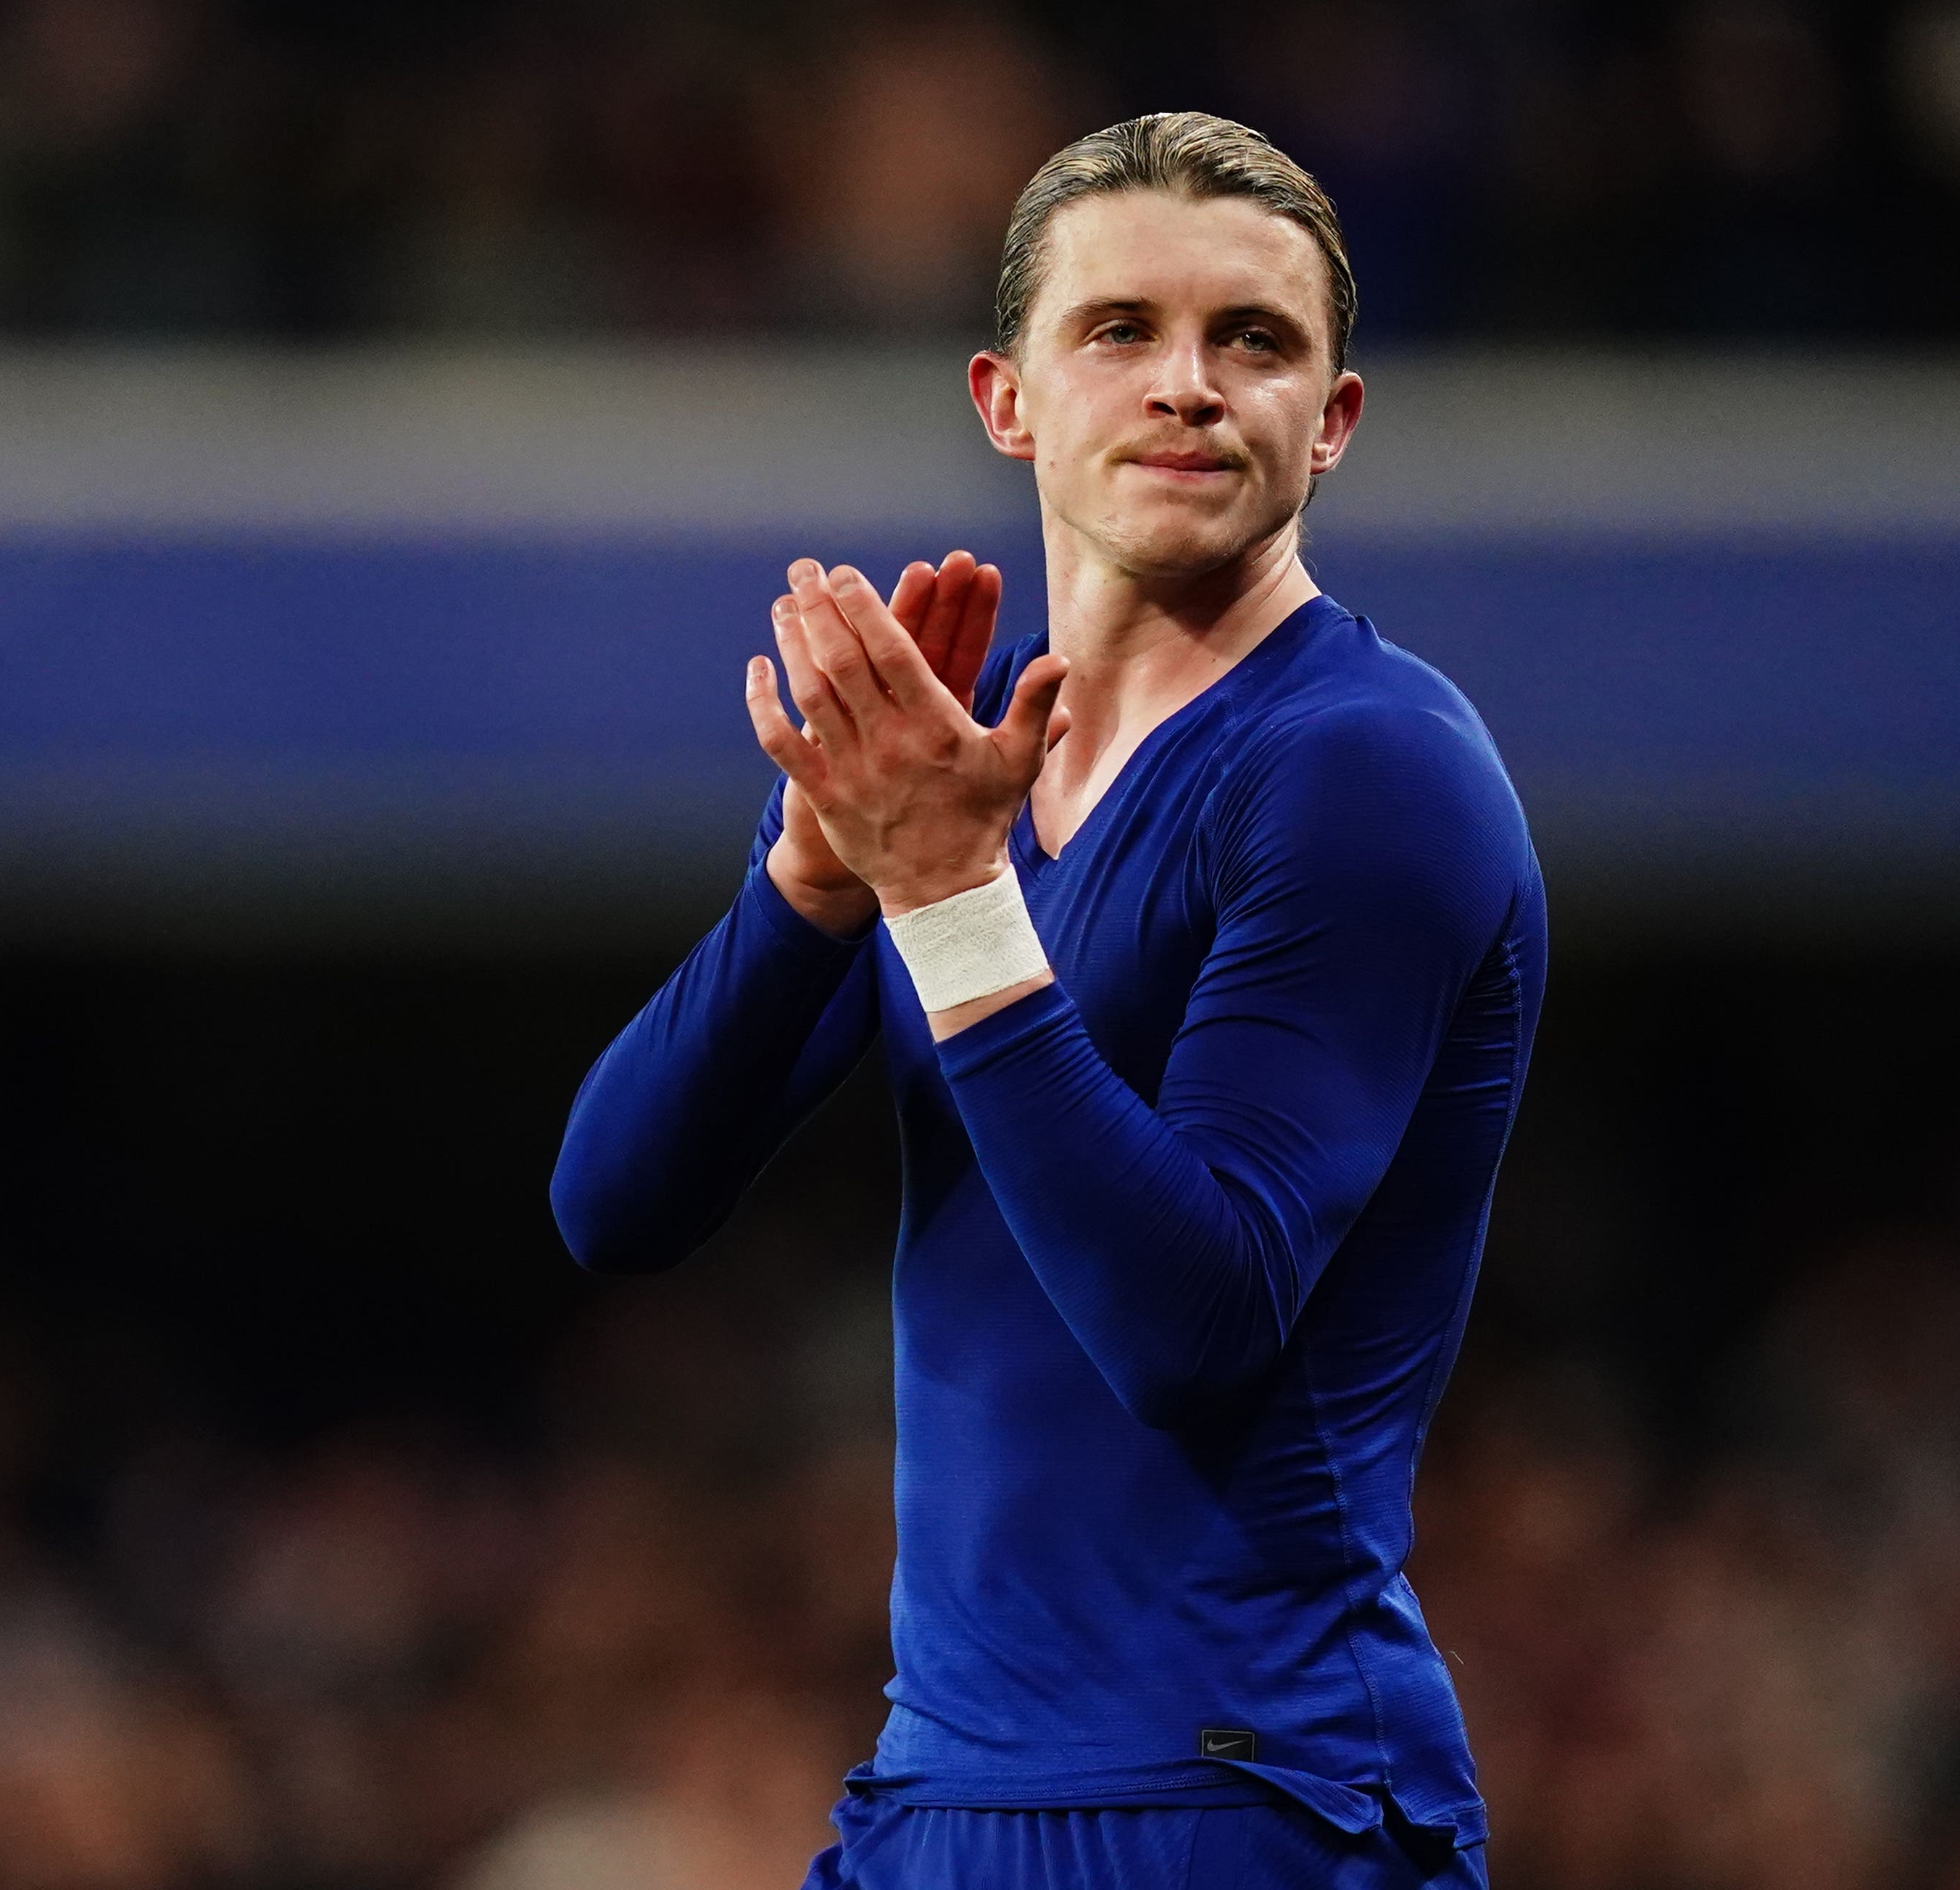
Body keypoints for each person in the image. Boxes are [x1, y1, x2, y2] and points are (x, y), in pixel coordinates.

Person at [550, 111, 1545, 1889]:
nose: (1189, 384)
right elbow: (613, 1200)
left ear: (1335, 419)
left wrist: (944, 893)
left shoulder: (1368, 769)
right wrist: (812, 886)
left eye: (1254, 340)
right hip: (941, 1780)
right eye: (1122, 330)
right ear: (1007, 397)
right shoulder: (968, 752)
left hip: (1248, 1794)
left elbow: (1199, 1317)